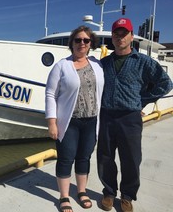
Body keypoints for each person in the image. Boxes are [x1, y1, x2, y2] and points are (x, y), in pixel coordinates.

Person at [97, 18, 173, 212]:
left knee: (131, 158)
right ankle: (109, 191)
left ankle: (128, 196)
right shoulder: (104, 63)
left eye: (124, 33)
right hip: (106, 115)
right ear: (112, 37)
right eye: (116, 33)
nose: (120, 37)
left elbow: (165, 84)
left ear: (131, 36)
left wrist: (142, 101)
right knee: (105, 156)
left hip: (129, 117)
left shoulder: (143, 62)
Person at [45, 26, 104, 212]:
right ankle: (64, 196)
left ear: (90, 44)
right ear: (72, 43)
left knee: (84, 158)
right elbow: (50, 94)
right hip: (69, 122)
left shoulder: (97, 65)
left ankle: (81, 191)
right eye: (78, 40)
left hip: (92, 121)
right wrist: (52, 123)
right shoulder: (61, 65)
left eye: (86, 40)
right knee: (65, 159)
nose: (82, 43)